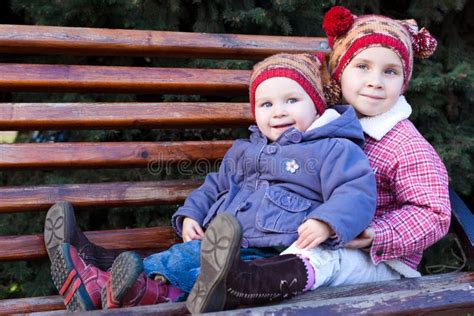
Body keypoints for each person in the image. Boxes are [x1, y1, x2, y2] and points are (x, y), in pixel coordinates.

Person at [45, 52, 377, 311]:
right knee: (185, 258)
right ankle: (123, 288)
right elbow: (215, 185)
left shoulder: (333, 149)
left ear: (317, 106)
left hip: (269, 251)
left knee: (185, 261)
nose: (278, 111)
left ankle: (98, 277)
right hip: (222, 243)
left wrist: (326, 222)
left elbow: (356, 192)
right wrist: (190, 215)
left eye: (292, 100)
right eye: (266, 104)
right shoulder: (245, 150)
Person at [185, 6, 452, 313]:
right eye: (362, 66)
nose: (375, 81)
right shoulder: (317, 124)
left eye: (390, 71)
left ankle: (245, 287)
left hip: (378, 259)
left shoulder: (405, 143)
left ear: (404, 82)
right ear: (339, 70)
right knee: (297, 250)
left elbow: (433, 212)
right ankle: (223, 280)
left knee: (325, 257)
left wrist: (376, 235)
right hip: (315, 237)